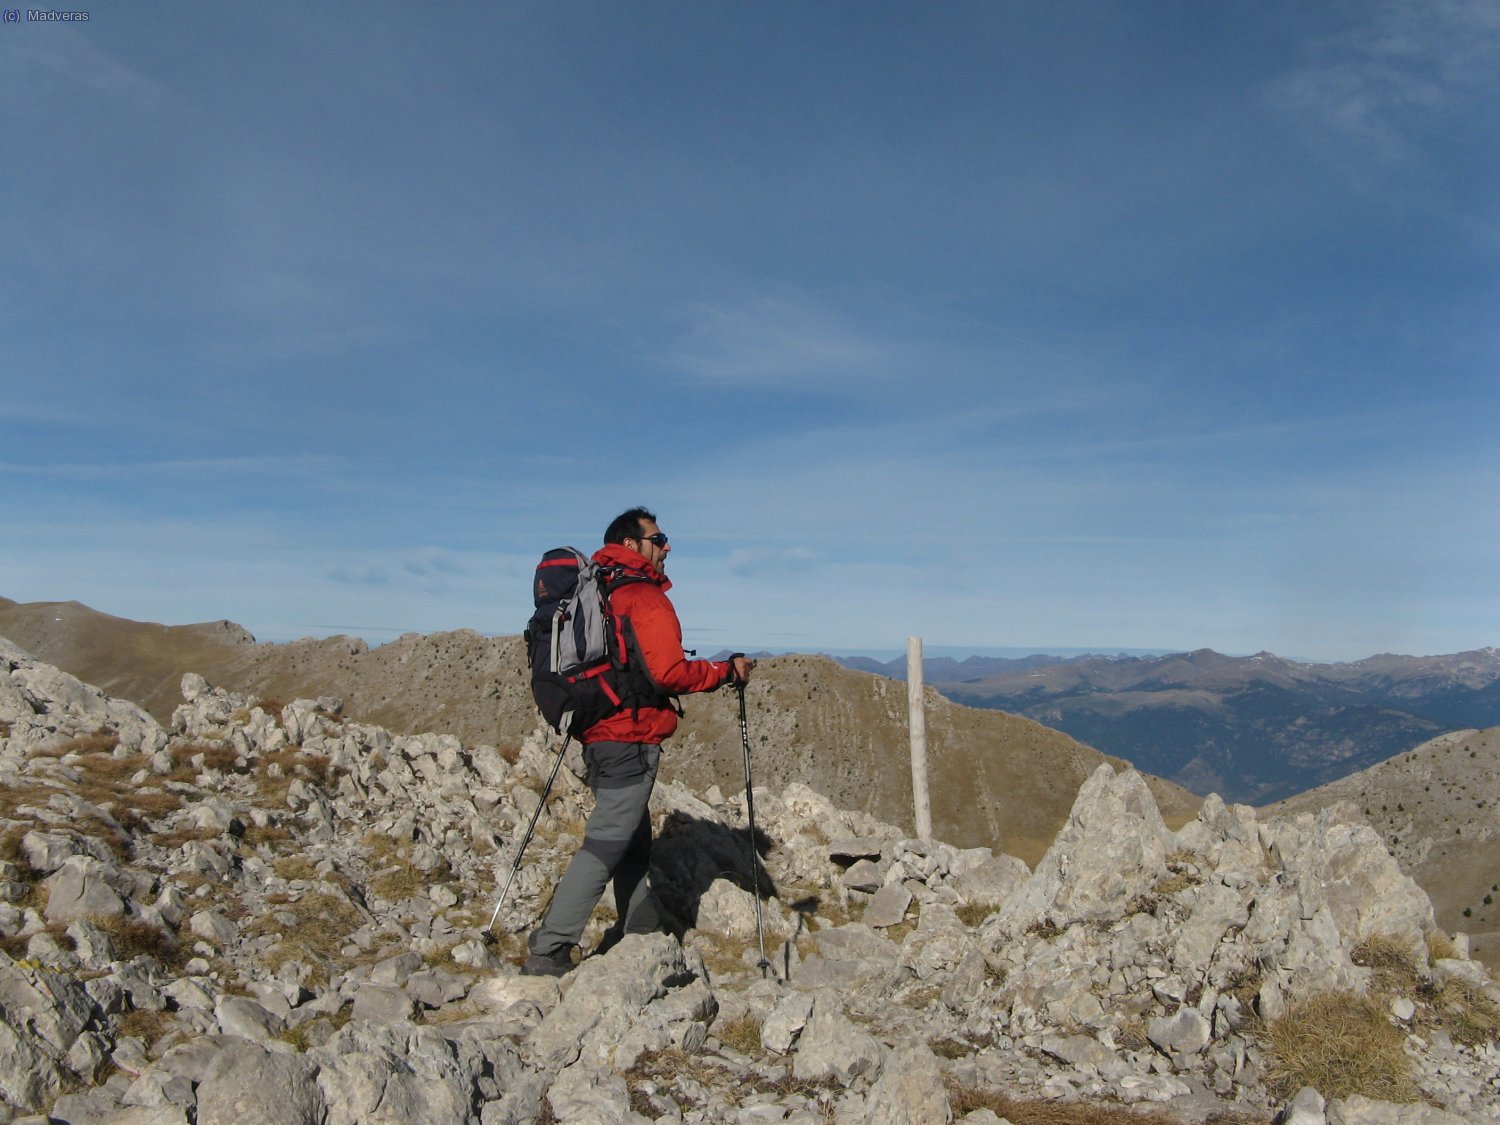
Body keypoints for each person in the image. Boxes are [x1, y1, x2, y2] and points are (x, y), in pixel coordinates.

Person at [522, 506, 755, 976]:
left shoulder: (599, 589)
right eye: (659, 538)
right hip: (629, 735)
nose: (667, 547)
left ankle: (643, 931)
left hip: (598, 731)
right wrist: (724, 671)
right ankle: (550, 950)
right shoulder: (642, 595)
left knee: (631, 840)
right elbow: (669, 673)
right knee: (607, 842)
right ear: (631, 545)